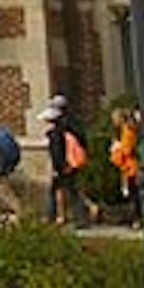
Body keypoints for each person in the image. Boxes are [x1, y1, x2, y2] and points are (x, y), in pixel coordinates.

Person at [42, 96, 91, 227]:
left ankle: (53, 217)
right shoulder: (73, 126)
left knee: (67, 191)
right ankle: (64, 216)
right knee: (68, 191)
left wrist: (58, 168)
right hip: (72, 164)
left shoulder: (57, 132)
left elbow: (57, 152)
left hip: (64, 166)